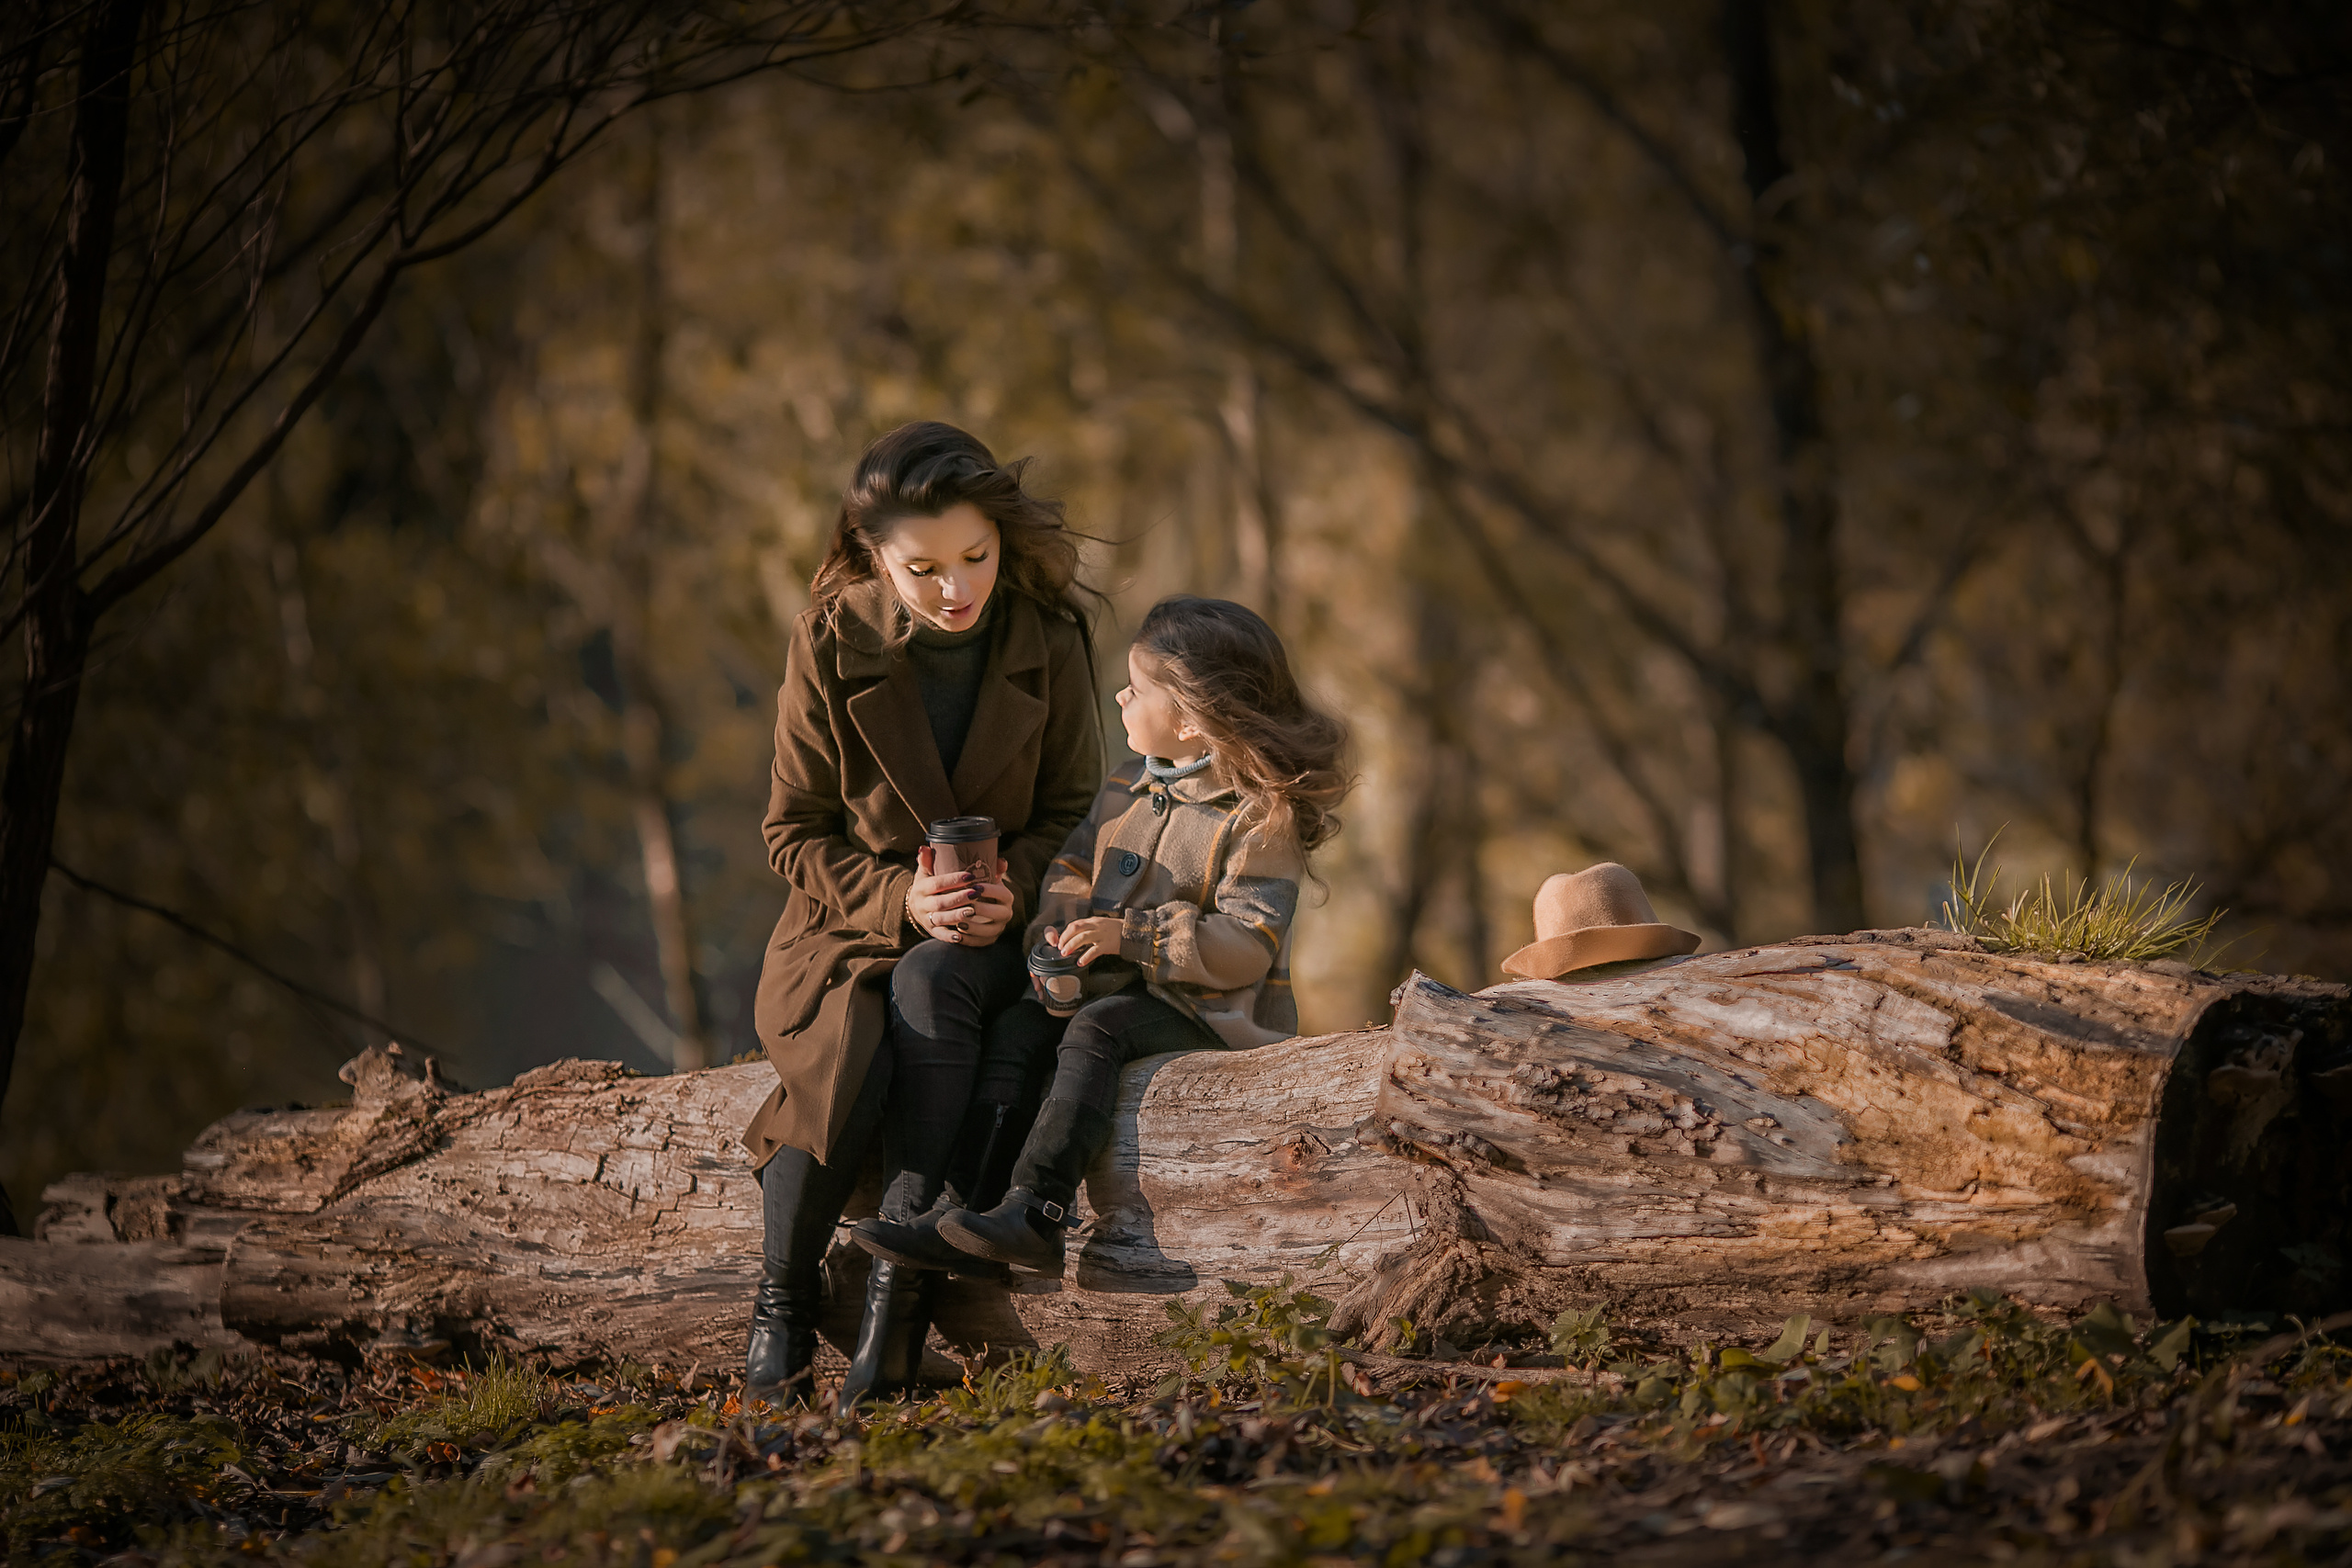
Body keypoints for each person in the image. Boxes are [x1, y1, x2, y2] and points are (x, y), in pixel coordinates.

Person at [740, 422, 1102, 1405]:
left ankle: (890, 1304)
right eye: (923, 569)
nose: (957, 589)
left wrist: (1011, 891)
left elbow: (1077, 812)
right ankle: (777, 1310)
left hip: (1001, 930)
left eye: (975, 558)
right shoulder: (828, 640)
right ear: (870, 557)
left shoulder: (1051, 638)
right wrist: (901, 895)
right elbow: (790, 832)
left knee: (932, 983)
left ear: (999, 537)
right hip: (845, 924)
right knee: (847, 1042)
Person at [854, 595, 1351, 1280]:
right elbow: (1073, 865)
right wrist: (1053, 930)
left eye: (1138, 688)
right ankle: (965, 1213)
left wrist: (1135, 937)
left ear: (1188, 715)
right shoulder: (1127, 782)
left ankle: (1039, 1211)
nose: (1120, 695)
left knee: (1097, 1028)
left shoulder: (1259, 817)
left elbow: (1247, 941)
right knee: (1022, 1029)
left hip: (1210, 1012)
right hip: (1122, 982)